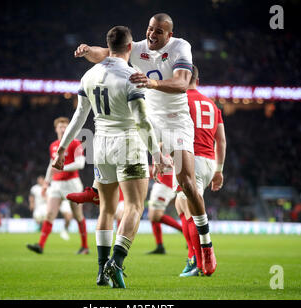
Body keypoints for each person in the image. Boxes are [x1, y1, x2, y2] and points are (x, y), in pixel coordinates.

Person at [72, 13, 217, 275]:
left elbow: (183, 82)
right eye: (150, 29)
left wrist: (152, 82)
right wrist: (86, 50)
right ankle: (97, 189)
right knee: (115, 145)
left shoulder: (180, 47)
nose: (152, 34)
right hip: (149, 119)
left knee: (186, 181)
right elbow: (105, 53)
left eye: (159, 31)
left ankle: (206, 244)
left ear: (169, 35)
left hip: (175, 121)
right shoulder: (136, 48)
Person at [52, 26, 171, 288]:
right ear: (130, 48)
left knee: (105, 208)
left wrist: (62, 148)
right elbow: (141, 121)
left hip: (100, 145)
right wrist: (157, 153)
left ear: (108, 45)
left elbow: (79, 116)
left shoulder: (89, 74)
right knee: (134, 207)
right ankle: (115, 262)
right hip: (128, 144)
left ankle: (99, 270)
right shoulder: (132, 77)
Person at [177, 65, 226, 276]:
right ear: (198, 80)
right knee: (181, 204)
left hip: (190, 160)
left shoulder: (181, 100)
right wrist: (219, 170)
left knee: (191, 211)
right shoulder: (212, 105)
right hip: (208, 162)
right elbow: (221, 140)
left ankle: (200, 261)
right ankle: (193, 258)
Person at [26, 117, 88, 254]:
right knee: (49, 214)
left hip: (72, 184)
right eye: (60, 126)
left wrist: (62, 168)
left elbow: (80, 163)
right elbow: (51, 165)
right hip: (56, 184)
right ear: (56, 129)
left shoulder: (76, 143)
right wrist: (46, 182)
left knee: (78, 216)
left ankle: (85, 246)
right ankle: (40, 245)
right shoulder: (53, 145)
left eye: (65, 126)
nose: (63, 128)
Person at [147, 165, 182, 254]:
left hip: (165, 185)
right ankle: (159, 246)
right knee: (152, 216)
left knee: (155, 216)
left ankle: (184, 230)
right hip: (161, 183)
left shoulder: (168, 152)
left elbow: (167, 167)